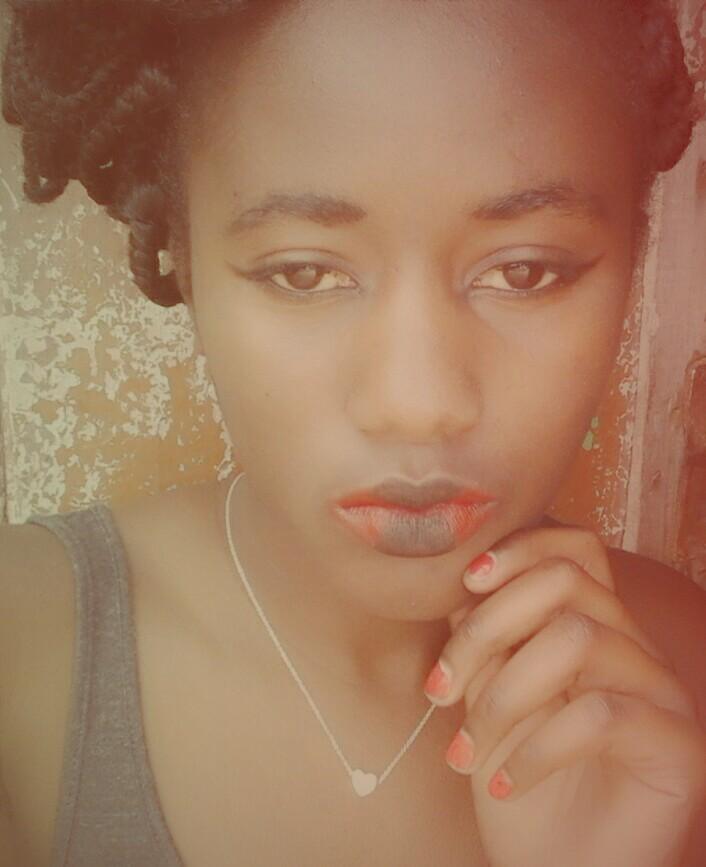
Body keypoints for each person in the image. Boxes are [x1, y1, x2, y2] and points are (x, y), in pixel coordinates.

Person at [1, 0, 706, 864]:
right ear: (183, 254)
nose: (418, 403)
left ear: (634, 254)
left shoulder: (680, 668)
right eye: (305, 272)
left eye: (525, 271)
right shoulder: (21, 653)